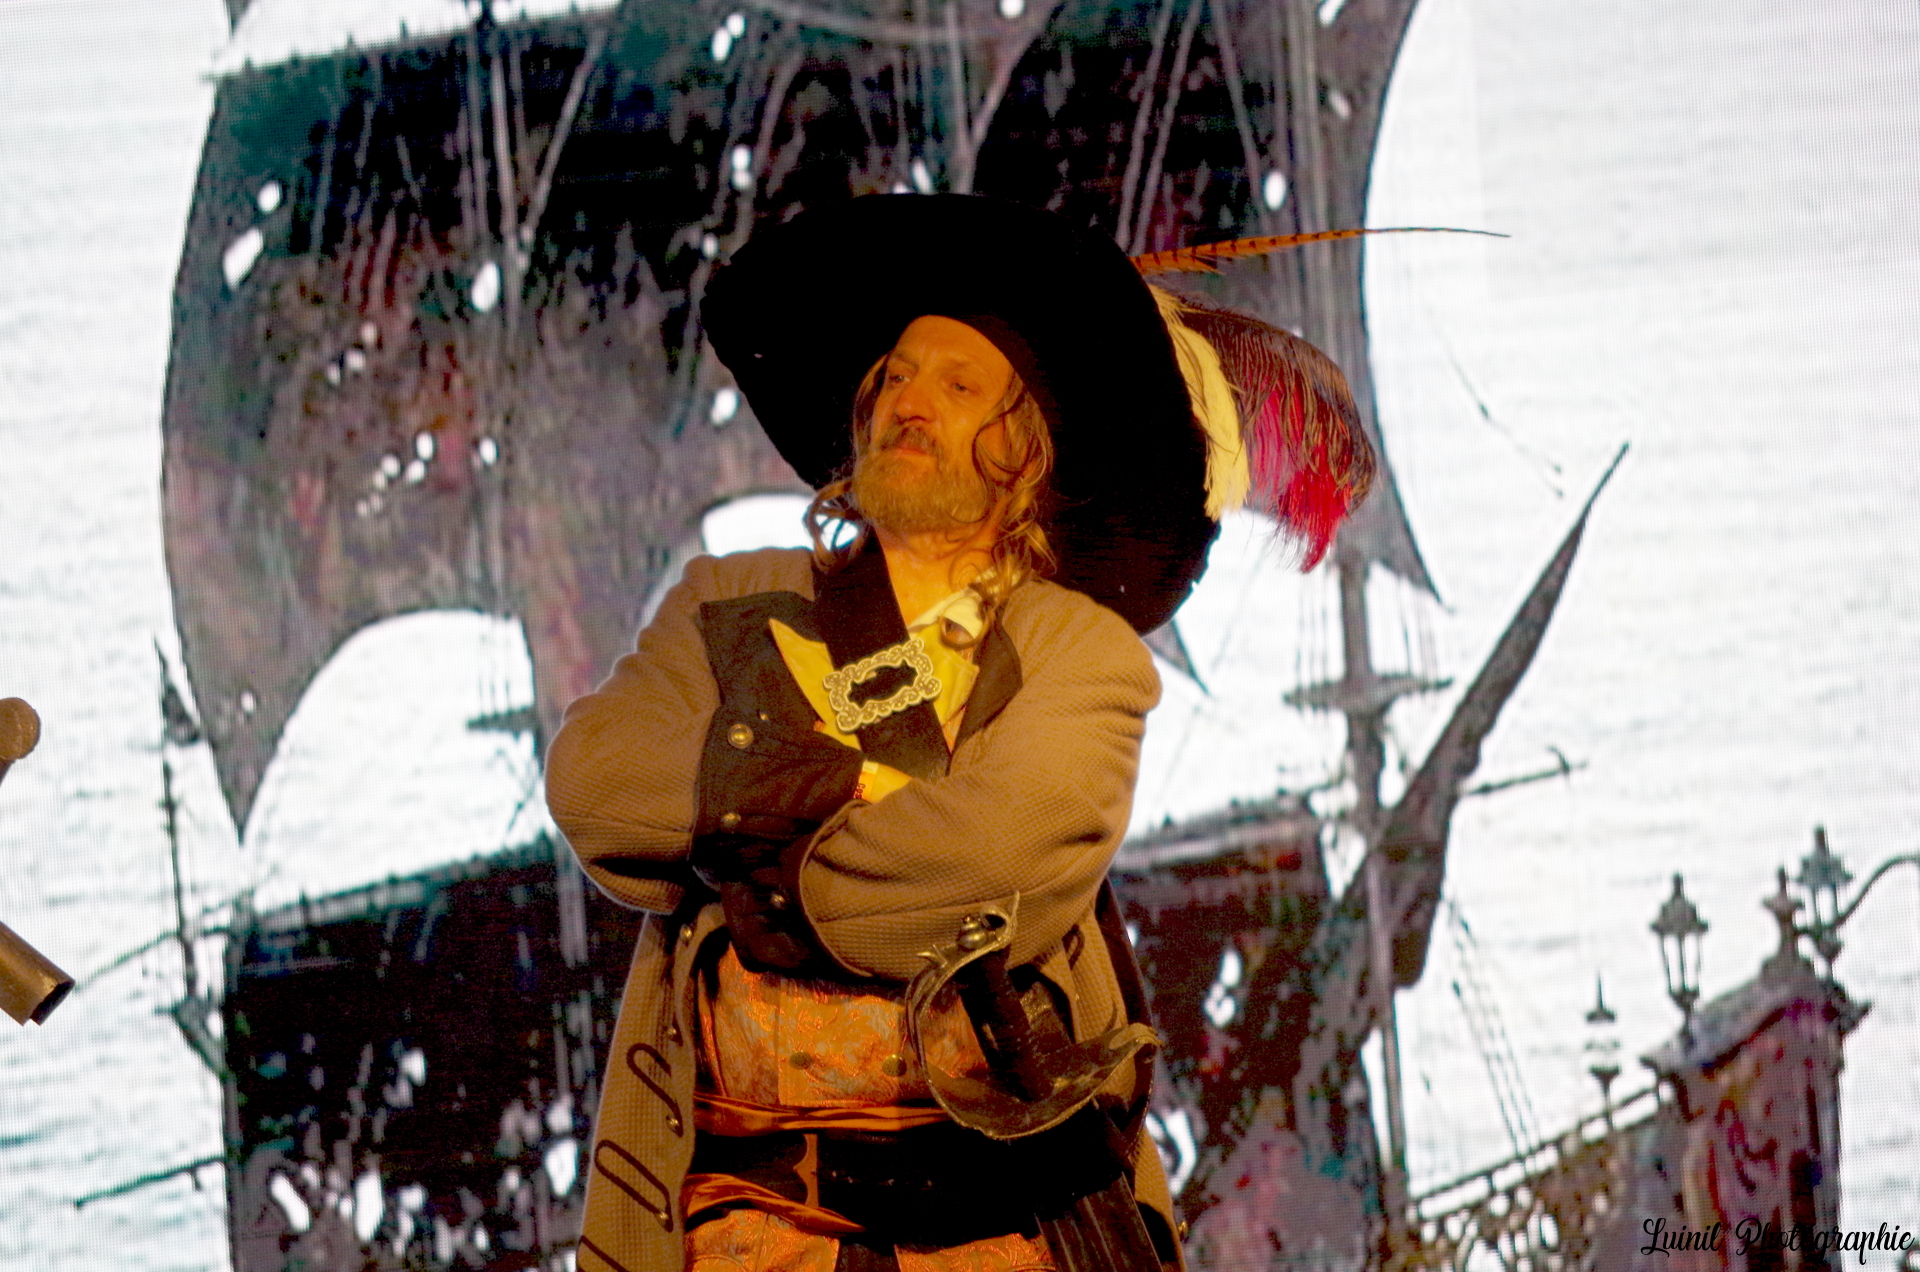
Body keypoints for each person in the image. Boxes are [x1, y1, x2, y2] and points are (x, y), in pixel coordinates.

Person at [545, 195, 1373, 1272]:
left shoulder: (1077, 650)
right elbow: (600, 788)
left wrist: (745, 837)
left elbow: (989, 863)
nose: (908, 398)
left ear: (1026, 451)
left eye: (958, 384)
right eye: (894, 375)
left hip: (998, 1242)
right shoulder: (724, 602)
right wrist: (861, 798)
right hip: (738, 1240)